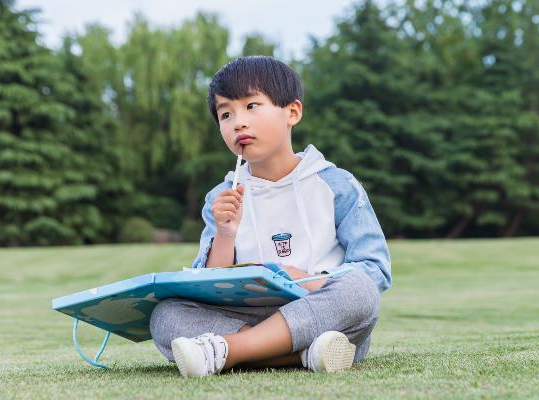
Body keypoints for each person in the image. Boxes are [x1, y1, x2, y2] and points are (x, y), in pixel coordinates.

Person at [149, 56, 391, 377]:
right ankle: (304, 355)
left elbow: (374, 271)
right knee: (165, 316)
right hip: (247, 315)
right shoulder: (221, 197)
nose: (238, 122)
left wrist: (303, 278)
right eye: (225, 113)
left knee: (359, 291)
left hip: (319, 311)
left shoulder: (336, 184)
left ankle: (227, 351)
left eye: (252, 106)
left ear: (293, 112)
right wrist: (225, 233)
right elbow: (207, 285)